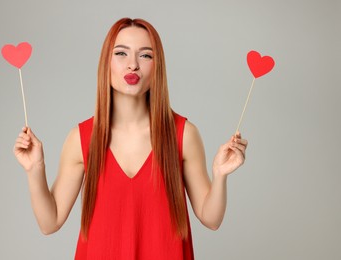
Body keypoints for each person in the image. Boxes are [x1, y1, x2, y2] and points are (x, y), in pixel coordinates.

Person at [14, 18, 248, 260]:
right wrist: (34, 170)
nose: (133, 65)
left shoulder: (184, 134)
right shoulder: (81, 139)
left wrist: (220, 175)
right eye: (121, 53)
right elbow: (49, 222)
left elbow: (211, 219)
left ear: (158, 66)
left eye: (146, 56)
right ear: (106, 62)